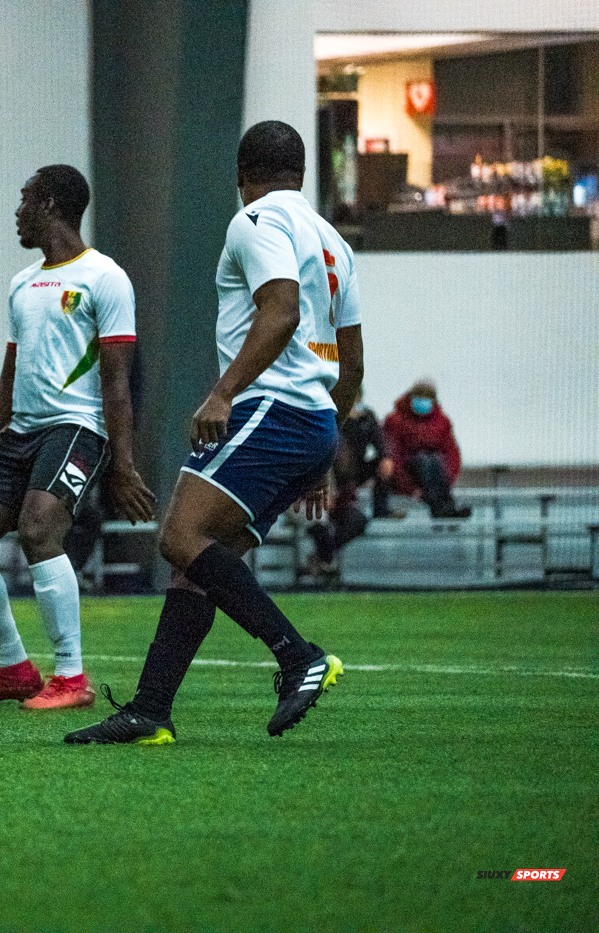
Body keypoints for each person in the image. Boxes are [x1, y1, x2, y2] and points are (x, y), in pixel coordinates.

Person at [66, 120, 363, 745]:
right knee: (201, 564)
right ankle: (150, 709)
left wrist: (223, 392)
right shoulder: (333, 240)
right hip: (309, 420)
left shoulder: (253, 222)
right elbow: (352, 360)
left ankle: (296, 655)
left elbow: (279, 310)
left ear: (239, 175)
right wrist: (324, 455)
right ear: (303, 173)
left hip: (269, 409)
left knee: (180, 537)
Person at [0, 164, 156, 711]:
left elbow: (117, 381)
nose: (16, 211)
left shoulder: (105, 278)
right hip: (20, 433)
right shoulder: (21, 284)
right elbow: (8, 377)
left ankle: (71, 678)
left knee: (40, 529)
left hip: (77, 427)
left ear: (50, 205)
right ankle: (13, 667)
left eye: (23, 200)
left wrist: (123, 464)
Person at [305, 388, 401, 570]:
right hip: (320, 487)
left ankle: (324, 556)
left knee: (356, 521)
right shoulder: (326, 420)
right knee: (320, 523)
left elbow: (382, 443)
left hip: (346, 486)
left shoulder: (365, 418)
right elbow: (324, 460)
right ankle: (323, 558)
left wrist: (386, 458)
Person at [382, 379, 471, 519]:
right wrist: (409, 488)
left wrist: (448, 478)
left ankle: (445, 507)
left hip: (437, 476)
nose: (422, 402)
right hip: (410, 473)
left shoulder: (442, 422)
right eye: (419, 398)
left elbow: (452, 453)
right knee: (424, 459)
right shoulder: (395, 421)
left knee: (433, 459)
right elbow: (393, 457)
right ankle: (442, 509)